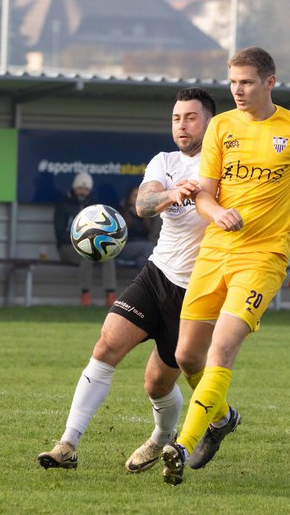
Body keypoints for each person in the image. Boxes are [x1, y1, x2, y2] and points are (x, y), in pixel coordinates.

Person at [160, 47, 290, 486]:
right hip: (215, 253)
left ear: (270, 82)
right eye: (233, 82)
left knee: (221, 350)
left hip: (264, 257)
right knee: (186, 356)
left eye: (247, 82)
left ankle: (182, 445)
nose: (238, 90)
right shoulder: (221, 126)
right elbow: (204, 193)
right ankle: (221, 420)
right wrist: (217, 213)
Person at [37, 87, 216, 473]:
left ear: (210, 122)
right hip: (157, 275)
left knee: (156, 384)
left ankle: (161, 437)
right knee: (106, 344)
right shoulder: (164, 161)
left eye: (190, 117)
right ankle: (67, 444)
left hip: (196, 292)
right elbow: (143, 204)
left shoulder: (225, 166)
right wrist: (173, 193)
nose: (181, 125)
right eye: (176, 118)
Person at [53, 172, 118, 306]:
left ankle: (110, 294)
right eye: (80, 188)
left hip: (91, 244)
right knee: (88, 255)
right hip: (67, 247)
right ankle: (85, 294)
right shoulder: (63, 205)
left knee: (108, 254)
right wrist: (80, 240)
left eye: (86, 189)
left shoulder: (94, 206)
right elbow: (60, 234)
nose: (83, 191)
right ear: (74, 187)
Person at [117, 185, 156, 269]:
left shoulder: (147, 214)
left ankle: (145, 277)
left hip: (143, 249)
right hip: (126, 248)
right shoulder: (123, 214)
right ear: (129, 199)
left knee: (141, 260)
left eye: (141, 196)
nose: (138, 198)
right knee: (148, 247)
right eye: (135, 196)